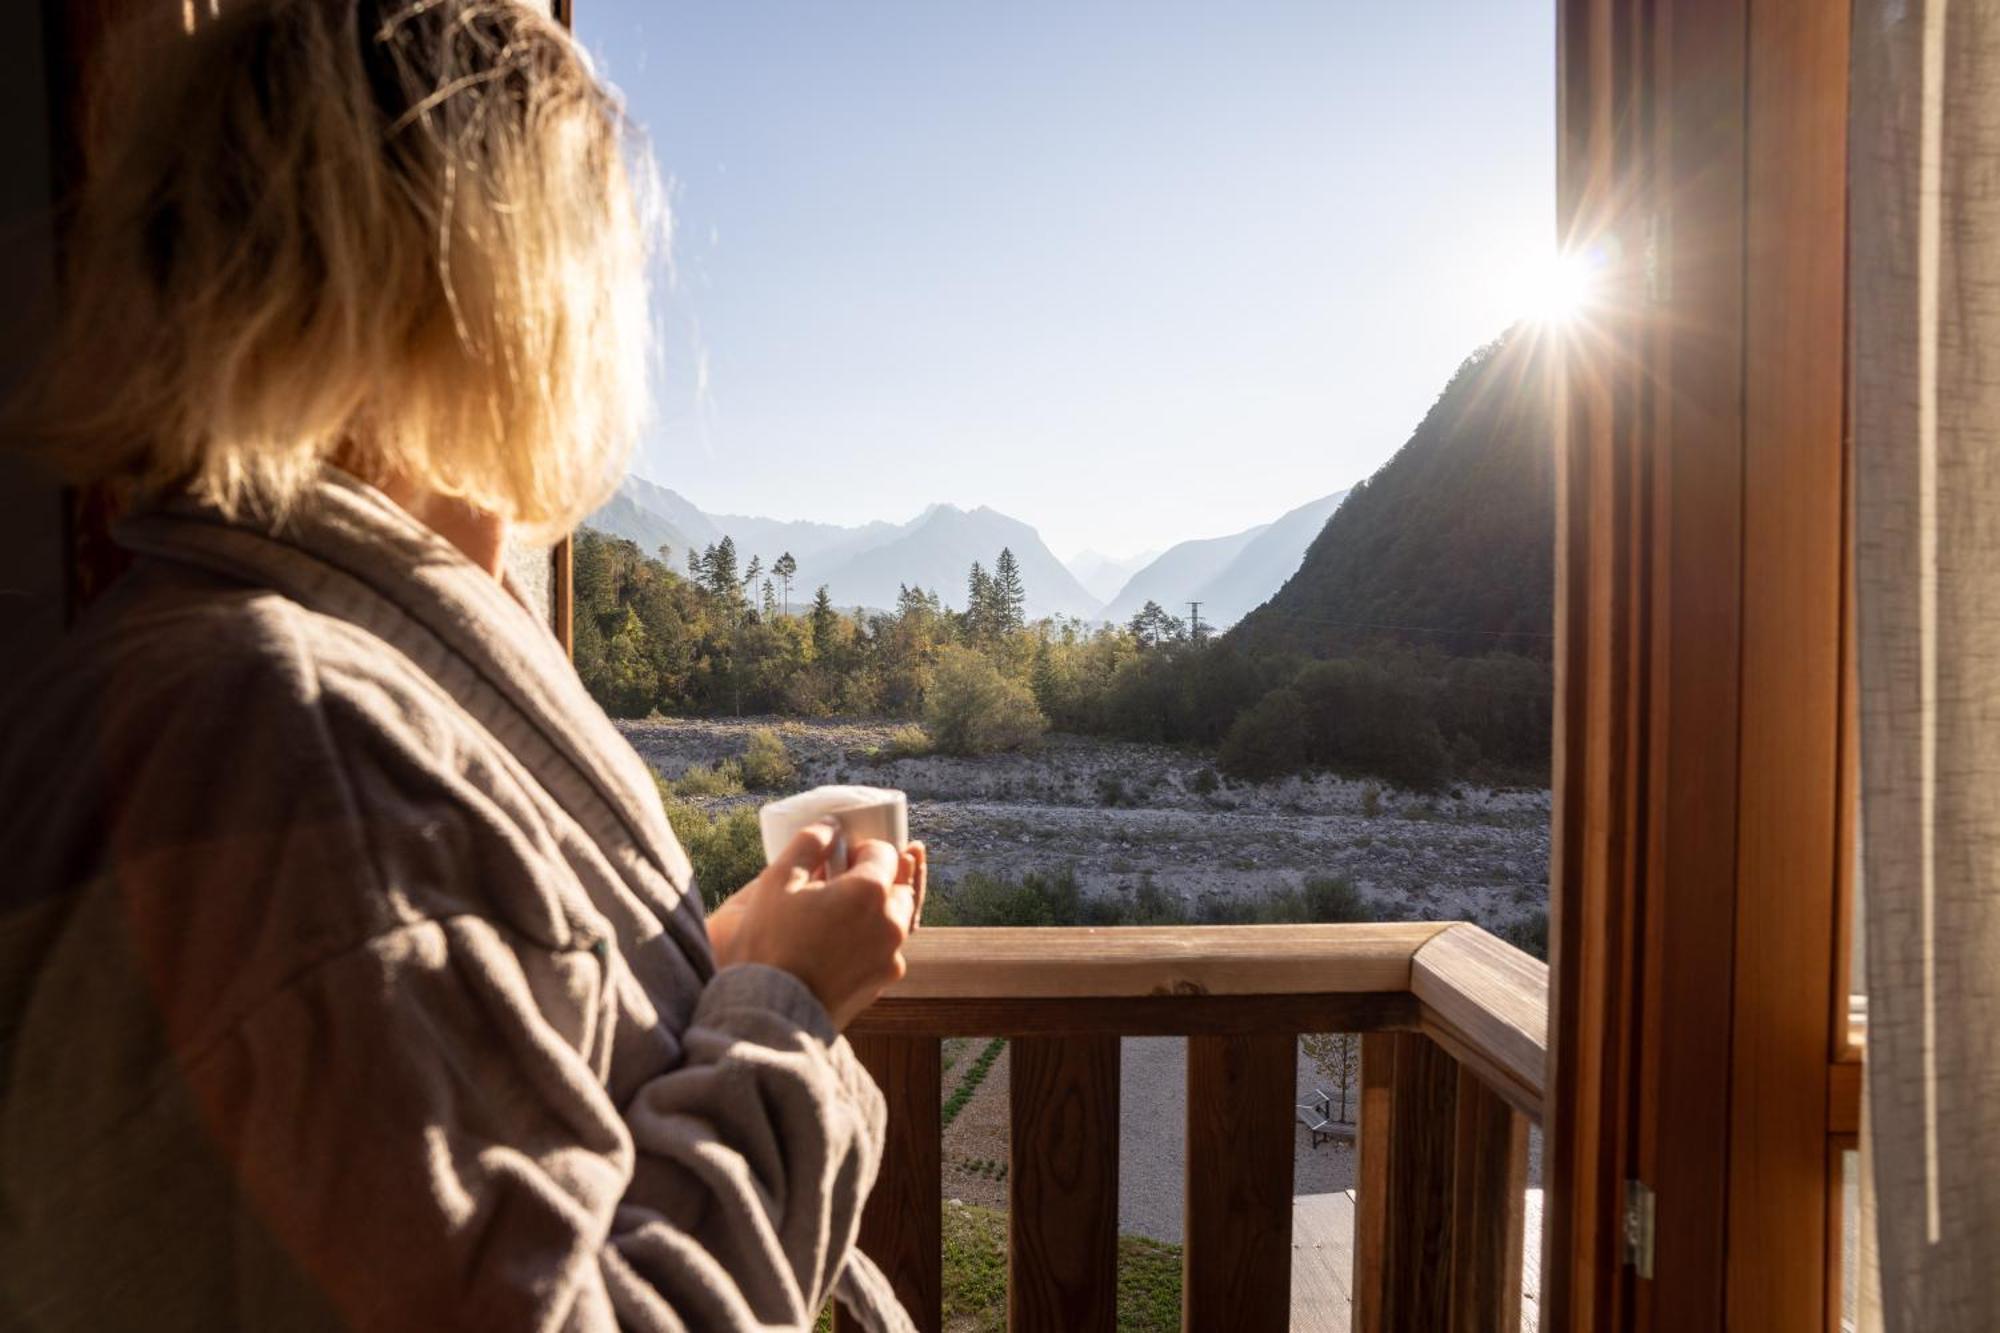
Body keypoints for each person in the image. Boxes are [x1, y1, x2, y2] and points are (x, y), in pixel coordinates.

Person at [0, 2, 923, 1329]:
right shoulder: (288, 732)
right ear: (503, 296)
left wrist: (694, 974)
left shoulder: (206, 675)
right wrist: (782, 1016)